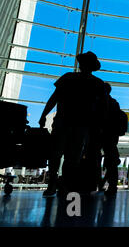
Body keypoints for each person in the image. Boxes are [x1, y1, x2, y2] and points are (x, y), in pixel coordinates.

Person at [39, 51, 106, 196]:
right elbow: (101, 109)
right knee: (72, 158)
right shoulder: (97, 84)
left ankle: (53, 184)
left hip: (63, 122)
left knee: (56, 154)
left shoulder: (68, 78)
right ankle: (66, 184)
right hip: (81, 125)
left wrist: (44, 115)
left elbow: (54, 98)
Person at [98, 83, 124, 196]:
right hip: (111, 137)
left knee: (107, 161)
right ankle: (109, 185)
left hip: (103, 135)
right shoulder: (114, 104)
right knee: (112, 161)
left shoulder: (98, 102)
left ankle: (103, 183)